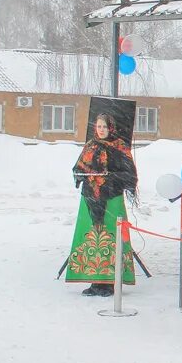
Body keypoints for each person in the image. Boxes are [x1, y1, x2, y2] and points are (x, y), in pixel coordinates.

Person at [66, 112, 138, 296]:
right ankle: (94, 280)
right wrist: (82, 175)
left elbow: (129, 174)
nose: (101, 130)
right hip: (91, 200)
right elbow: (78, 167)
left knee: (110, 238)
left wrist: (110, 178)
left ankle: (110, 282)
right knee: (91, 238)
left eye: (104, 127)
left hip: (112, 199)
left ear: (111, 127)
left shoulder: (120, 147)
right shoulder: (90, 146)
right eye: (98, 126)